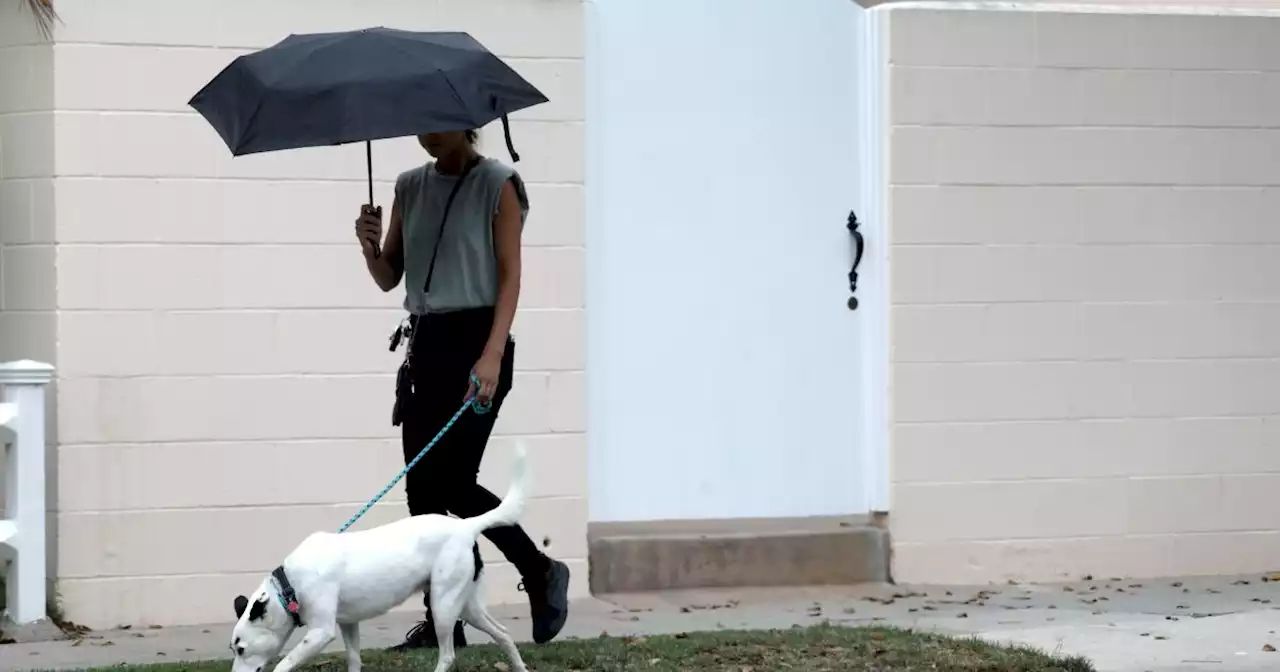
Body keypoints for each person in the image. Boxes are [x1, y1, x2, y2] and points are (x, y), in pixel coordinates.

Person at [354, 128, 571, 650]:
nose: (427, 135)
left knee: (453, 483)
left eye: (438, 123)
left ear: (466, 119)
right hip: (426, 347)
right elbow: (390, 278)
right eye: (420, 125)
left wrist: (493, 353)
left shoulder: (499, 184)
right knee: (422, 495)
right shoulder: (409, 186)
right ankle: (444, 621)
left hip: (480, 343)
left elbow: (511, 276)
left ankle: (539, 569)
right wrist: (368, 246)